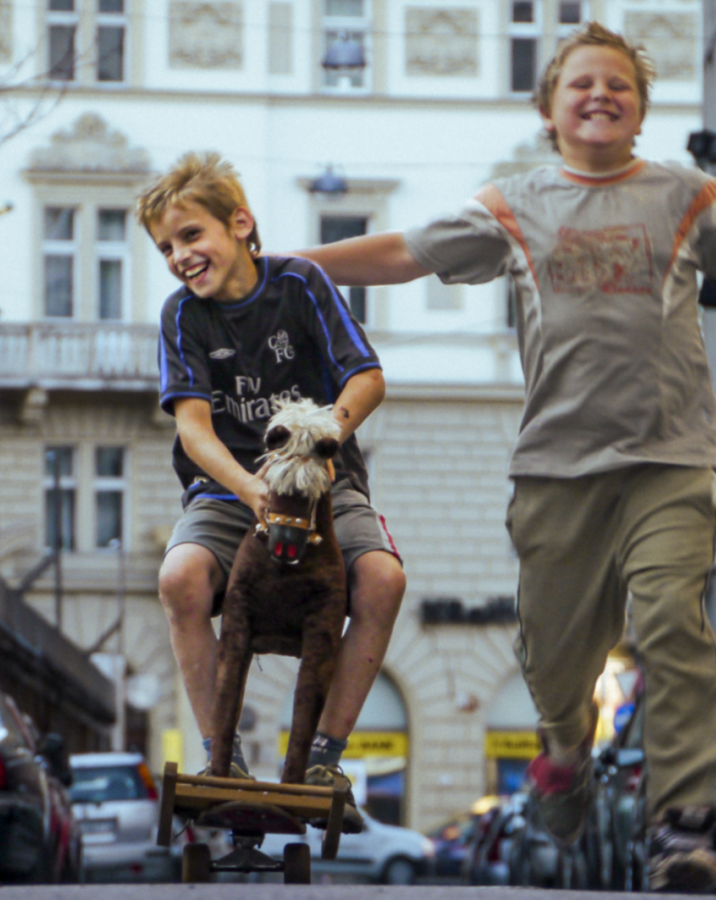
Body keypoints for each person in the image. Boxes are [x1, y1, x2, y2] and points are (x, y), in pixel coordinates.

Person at [292, 22, 716, 893]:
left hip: (673, 459)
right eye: (582, 83)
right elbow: (404, 252)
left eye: (619, 83)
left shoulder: (690, 196)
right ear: (550, 111)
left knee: (671, 624)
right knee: (555, 656)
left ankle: (681, 825)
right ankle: (566, 750)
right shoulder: (514, 203)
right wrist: (289, 267)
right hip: (556, 466)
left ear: (641, 109)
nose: (601, 94)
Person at [138, 153, 406, 810]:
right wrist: (252, 490)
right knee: (178, 578)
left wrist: (323, 441)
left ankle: (323, 757)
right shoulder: (181, 317)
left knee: (384, 580)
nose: (180, 256)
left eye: (191, 236)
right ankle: (220, 754)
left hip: (323, 484)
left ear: (239, 225)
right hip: (227, 493)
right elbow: (195, 432)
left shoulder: (301, 284)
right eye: (166, 247)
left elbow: (366, 379)